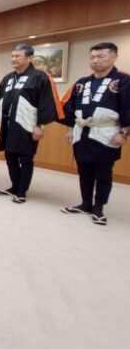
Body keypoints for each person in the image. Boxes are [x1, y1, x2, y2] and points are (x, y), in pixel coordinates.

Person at [60, 42, 129, 225]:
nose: (95, 60)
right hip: (81, 132)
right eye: (92, 57)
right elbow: (70, 108)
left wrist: (124, 133)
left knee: (103, 172)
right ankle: (85, 203)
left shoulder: (123, 81)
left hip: (107, 133)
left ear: (114, 57)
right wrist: (70, 129)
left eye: (100, 56)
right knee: (84, 169)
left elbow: (128, 108)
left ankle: (99, 208)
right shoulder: (82, 83)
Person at [0, 43, 64, 203]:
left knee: (25, 158)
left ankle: (22, 191)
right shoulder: (8, 78)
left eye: (17, 56)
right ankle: (15, 186)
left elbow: (46, 102)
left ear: (29, 58)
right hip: (9, 125)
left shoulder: (40, 77)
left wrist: (40, 126)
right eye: (12, 56)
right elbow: (0, 100)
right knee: (10, 156)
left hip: (28, 125)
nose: (13, 59)